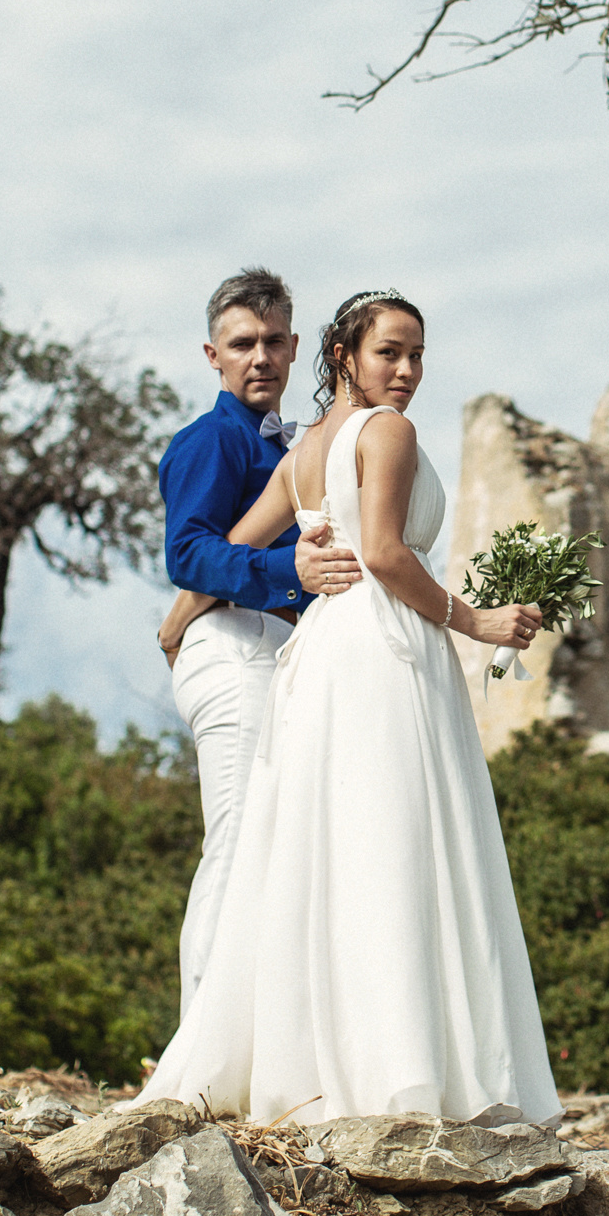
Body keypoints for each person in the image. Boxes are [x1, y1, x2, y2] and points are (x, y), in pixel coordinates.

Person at [131, 288, 561, 1123]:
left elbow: (238, 540)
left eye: (417, 355)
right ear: (345, 358)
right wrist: (476, 621)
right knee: (396, 842)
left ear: (302, 349)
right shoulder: (386, 431)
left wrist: (184, 607)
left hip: (321, 647)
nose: (407, 371)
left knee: (325, 847)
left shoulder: (306, 449)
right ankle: (403, 1062)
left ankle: (312, 1056)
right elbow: (388, 551)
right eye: (389, 352)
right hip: (383, 640)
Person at [156, 267, 362, 1021]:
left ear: (296, 345)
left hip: (276, 650)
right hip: (234, 646)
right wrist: (288, 569)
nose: (261, 357)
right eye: (242, 343)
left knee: (281, 850)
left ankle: (253, 1038)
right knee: (240, 837)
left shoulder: (291, 443)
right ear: (212, 353)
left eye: (274, 341)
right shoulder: (210, 439)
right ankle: (196, 1050)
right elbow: (189, 553)